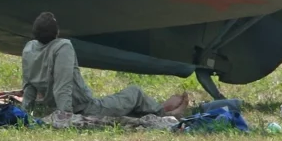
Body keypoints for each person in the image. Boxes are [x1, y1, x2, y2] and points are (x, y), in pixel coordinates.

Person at [21, 12, 189, 118]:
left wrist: (25, 111)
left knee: (125, 104)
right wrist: (65, 115)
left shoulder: (29, 48)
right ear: (56, 32)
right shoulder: (62, 47)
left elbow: (29, 85)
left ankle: (156, 110)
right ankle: (165, 113)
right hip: (84, 107)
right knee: (134, 93)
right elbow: (62, 84)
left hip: (59, 104)